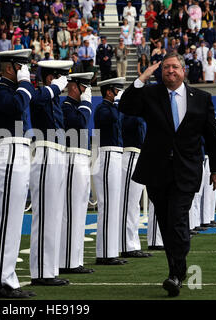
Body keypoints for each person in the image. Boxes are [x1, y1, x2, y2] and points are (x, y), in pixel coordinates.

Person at [119, 52, 216, 297]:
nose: (170, 71)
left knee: (177, 218)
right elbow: (125, 106)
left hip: (187, 171)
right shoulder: (150, 94)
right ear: (160, 71)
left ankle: (177, 273)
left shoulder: (201, 98)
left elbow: (212, 137)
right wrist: (142, 77)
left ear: (183, 71)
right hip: (157, 171)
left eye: (175, 67)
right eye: (166, 68)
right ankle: (175, 272)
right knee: (166, 224)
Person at [0, 49, 36, 298]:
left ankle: (9, 279)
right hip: (9, 153)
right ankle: (0, 282)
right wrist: (25, 82)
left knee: (14, 222)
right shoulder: (1, 93)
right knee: (7, 222)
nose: (25, 71)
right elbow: (19, 105)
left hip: (20, 151)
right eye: (21, 66)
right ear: (9, 68)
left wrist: (26, 83)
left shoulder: (13, 90)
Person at [29, 60, 72, 286]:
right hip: (45, 153)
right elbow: (36, 101)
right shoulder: (42, 95)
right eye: (60, 77)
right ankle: (41, 272)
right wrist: (54, 87)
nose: (64, 83)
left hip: (57, 153)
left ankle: (49, 269)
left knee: (53, 215)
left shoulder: (54, 98)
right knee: (45, 216)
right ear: (49, 78)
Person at [58, 72, 94, 275]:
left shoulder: (75, 107)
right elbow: (80, 123)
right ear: (74, 87)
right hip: (71, 158)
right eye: (84, 87)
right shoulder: (66, 107)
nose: (87, 91)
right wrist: (87, 102)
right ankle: (67, 260)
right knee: (71, 211)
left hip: (80, 157)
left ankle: (74, 259)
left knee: (79, 211)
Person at [93, 77, 127, 265]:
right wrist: (119, 104)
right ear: (108, 92)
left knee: (114, 206)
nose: (118, 93)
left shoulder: (113, 108)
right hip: (106, 155)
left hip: (115, 154)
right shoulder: (103, 109)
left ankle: (110, 251)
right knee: (107, 206)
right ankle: (105, 253)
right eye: (116, 90)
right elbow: (113, 119)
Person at [119, 113, 152, 258]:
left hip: (138, 155)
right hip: (130, 154)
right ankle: (127, 245)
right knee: (129, 204)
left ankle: (132, 243)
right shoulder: (129, 116)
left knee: (134, 205)